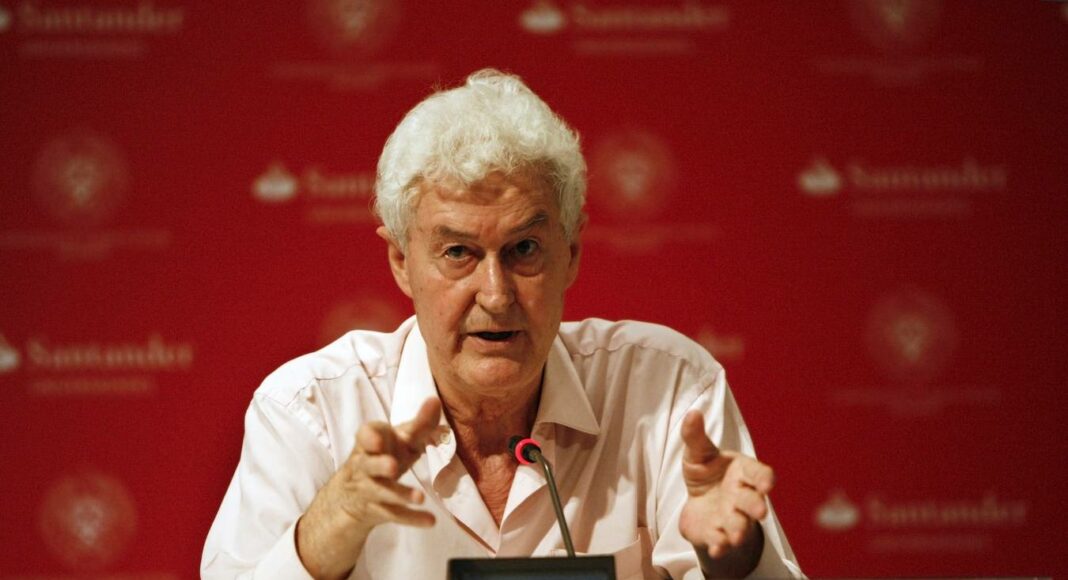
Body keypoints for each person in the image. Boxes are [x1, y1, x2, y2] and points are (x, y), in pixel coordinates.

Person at [202, 69, 804, 579]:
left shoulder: (666, 392)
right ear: (401, 262)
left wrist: (734, 559)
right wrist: (329, 528)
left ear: (571, 254)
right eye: (457, 253)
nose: (495, 294)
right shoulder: (310, 412)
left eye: (524, 249)